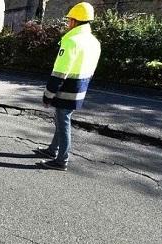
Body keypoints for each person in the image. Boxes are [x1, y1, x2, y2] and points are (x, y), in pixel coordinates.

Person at [36, 2, 101, 171]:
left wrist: (48, 95)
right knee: (61, 119)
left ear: (74, 21)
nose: (68, 23)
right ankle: (52, 150)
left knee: (63, 122)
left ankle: (61, 160)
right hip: (81, 87)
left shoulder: (71, 41)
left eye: (69, 20)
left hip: (67, 89)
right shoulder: (94, 42)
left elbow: (60, 72)